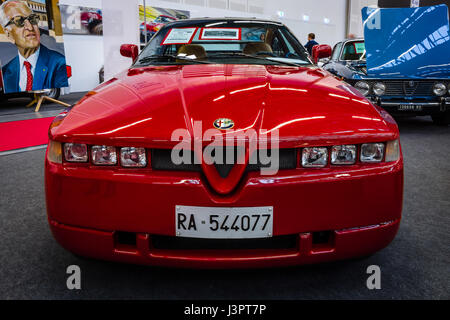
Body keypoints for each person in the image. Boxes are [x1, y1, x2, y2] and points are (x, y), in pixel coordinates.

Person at [0, 0, 68, 93]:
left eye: (32, 19)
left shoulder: (58, 64)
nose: (30, 27)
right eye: (19, 21)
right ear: (9, 35)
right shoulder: (6, 72)